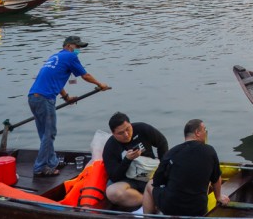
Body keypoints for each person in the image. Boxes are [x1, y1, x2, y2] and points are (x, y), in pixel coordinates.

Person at [28, 36, 110, 177]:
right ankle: (40, 167)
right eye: (76, 47)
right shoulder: (70, 57)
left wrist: (66, 97)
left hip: (34, 97)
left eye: (79, 48)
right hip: (45, 98)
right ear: (68, 46)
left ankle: (51, 161)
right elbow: (85, 75)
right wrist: (100, 84)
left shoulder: (56, 57)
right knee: (49, 134)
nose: (78, 50)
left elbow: (55, 80)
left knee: (45, 134)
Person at [143, 119, 229, 215]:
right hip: (198, 210)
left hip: (171, 208)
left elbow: (157, 181)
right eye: (205, 130)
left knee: (149, 185)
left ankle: (147, 216)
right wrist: (219, 197)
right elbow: (216, 178)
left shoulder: (172, 152)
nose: (206, 132)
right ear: (197, 132)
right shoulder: (210, 151)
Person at [103, 112, 169, 209]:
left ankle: (152, 201)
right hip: (128, 180)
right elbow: (114, 177)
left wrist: (162, 169)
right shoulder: (110, 147)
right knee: (112, 193)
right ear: (113, 134)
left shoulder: (142, 129)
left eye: (127, 129)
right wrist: (127, 160)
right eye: (120, 133)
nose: (126, 134)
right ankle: (150, 202)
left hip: (149, 174)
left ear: (130, 124)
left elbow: (162, 142)